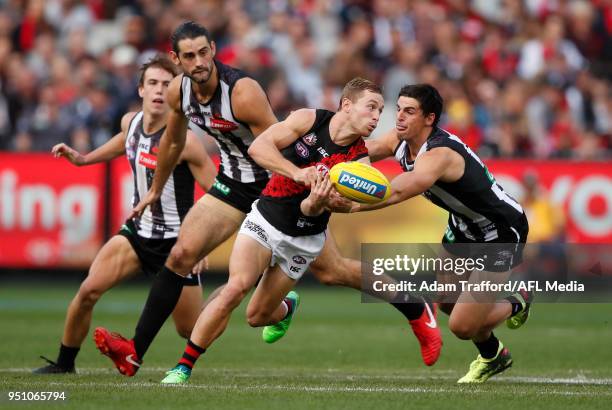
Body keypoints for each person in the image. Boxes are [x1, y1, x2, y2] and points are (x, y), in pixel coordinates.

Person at [94, 22, 440, 377]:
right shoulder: (178, 92)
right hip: (236, 185)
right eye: (188, 56)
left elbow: (279, 146)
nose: (197, 62)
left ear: (213, 50)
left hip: (277, 188)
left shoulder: (242, 93)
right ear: (176, 60)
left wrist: (308, 188)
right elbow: (172, 142)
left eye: (202, 52)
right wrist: (155, 189)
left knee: (331, 273)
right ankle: (137, 351)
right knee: (184, 255)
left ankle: (411, 305)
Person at [159, 78, 381, 383]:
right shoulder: (309, 119)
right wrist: (298, 174)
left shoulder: (360, 162)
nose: (376, 117)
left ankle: (285, 307)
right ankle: (182, 367)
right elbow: (259, 148)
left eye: (380, 111)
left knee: (257, 316)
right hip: (266, 218)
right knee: (236, 287)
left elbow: (342, 207)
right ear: (346, 105)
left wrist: (322, 202)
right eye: (371, 107)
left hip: (304, 240)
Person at [32, 55, 217, 375]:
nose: (160, 90)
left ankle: (232, 299)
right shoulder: (130, 122)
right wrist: (84, 158)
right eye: (153, 83)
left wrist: (199, 244)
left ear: (175, 92)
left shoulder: (186, 143)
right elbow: (124, 143)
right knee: (88, 290)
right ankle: (64, 365)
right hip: (137, 233)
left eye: (166, 85)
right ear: (141, 90)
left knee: (189, 329)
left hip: (177, 244)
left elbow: (219, 195)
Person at [363, 84, 531, 383]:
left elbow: (398, 191)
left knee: (462, 327)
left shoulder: (439, 152)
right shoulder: (401, 140)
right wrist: (321, 161)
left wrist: (346, 204)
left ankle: (517, 300)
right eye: (399, 108)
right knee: (447, 301)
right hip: (463, 227)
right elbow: (363, 151)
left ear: (429, 118)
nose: (399, 117)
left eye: (409, 111)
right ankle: (494, 356)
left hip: (500, 231)